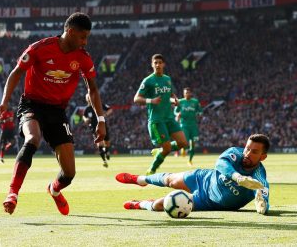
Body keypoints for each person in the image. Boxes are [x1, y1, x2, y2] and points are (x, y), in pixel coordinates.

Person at [0, 12, 106, 216]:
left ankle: (54, 190)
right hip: (32, 105)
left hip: (57, 111)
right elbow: (16, 72)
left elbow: (93, 89)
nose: (85, 42)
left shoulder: (82, 57)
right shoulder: (40, 48)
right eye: (82, 37)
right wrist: (4, 103)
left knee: (69, 173)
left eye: (87, 37)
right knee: (32, 139)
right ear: (70, 32)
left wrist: (101, 119)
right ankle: (12, 193)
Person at [115, 134, 270, 215]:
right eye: (247, 148)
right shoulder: (235, 153)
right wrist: (238, 177)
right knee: (170, 180)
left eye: (254, 151)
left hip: (208, 202)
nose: (247, 153)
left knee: (162, 205)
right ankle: (141, 179)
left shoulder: (259, 178)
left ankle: (141, 204)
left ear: (263, 157)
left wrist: (262, 205)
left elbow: (264, 198)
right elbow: (221, 164)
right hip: (204, 178)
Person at [134, 54, 187, 175]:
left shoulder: (167, 79)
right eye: (155, 63)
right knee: (167, 149)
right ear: (152, 65)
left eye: (160, 62)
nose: (158, 65)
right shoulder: (148, 81)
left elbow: (170, 95)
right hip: (157, 120)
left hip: (169, 118)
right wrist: (150, 101)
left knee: (183, 143)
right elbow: (136, 99)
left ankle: (160, 151)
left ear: (164, 64)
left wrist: (175, 100)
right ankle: (152, 169)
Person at [174, 87, 203, 165]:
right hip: (184, 125)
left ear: (190, 93)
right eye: (185, 93)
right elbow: (175, 111)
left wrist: (199, 114)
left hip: (193, 126)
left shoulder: (195, 102)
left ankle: (190, 160)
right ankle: (183, 149)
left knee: (193, 144)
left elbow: (200, 111)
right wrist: (177, 115)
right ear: (183, 94)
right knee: (185, 142)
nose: (187, 94)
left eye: (188, 92)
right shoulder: (180, 102)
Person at [83, 93, 113, 167]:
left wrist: (105, 115)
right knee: (100, 144)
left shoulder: (99, 104)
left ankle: (107, 152)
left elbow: (110, 109)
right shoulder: (87, 109)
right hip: (94, 129)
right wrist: (86, 119)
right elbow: (84, 116)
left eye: (90, 97)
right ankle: (104, 161)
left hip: (103, 126)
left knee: (107, 143)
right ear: (86, 99)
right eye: (88, 98)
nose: (89, 99)